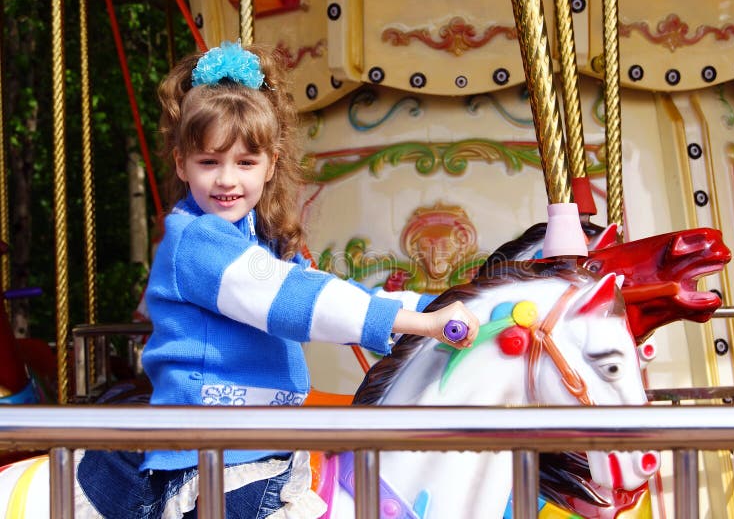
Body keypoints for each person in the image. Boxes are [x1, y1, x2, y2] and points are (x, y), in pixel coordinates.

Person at [74, 40, 480, 519]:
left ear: (270, 165)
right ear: (182, 163)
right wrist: (422, 324)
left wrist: (433, 303)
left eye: (245, 163)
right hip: (212, 450)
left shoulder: (253, 240)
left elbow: (327, 289)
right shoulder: (197, 240)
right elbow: (289, 299)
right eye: (209, 162)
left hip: (258, 440)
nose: (227, 179)